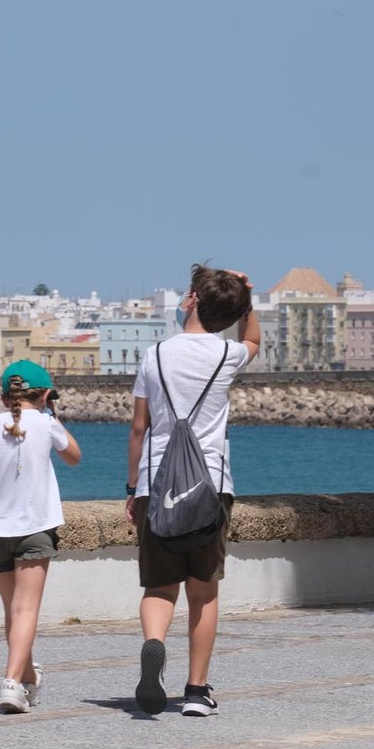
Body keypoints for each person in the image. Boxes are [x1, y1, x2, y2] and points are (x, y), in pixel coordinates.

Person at [125, 264, 259, 717]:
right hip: (211, 486)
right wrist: (248, 297)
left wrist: (132, 487)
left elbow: (139, 429)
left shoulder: (154, 355)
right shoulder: (227, 356)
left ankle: (155, 645)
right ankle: (197, 691)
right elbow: (254, 341)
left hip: (155, 485)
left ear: (192, 300)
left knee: (160, 588)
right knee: (203, 592)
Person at [0, 360, 81, 713]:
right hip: (35, 529)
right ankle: (12, 682)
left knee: (14, 609)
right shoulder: (46, 422)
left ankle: (27, 674)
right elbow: (74, 456)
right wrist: (54, 416)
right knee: (25, 609)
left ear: (2, 395)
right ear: (44, 396)